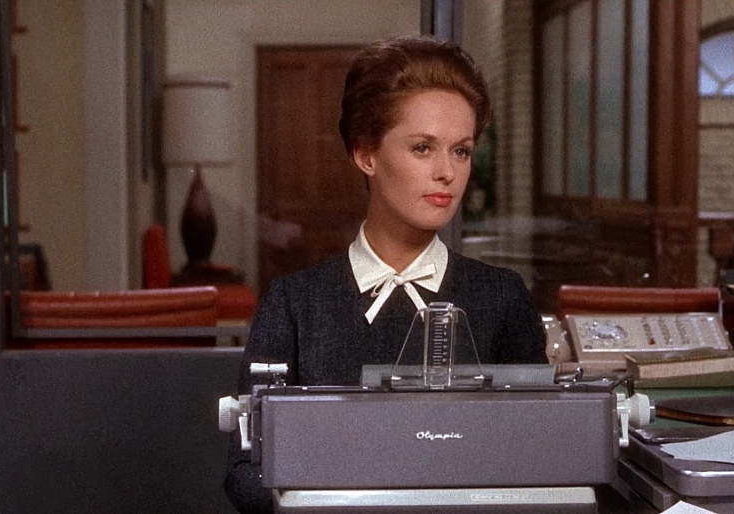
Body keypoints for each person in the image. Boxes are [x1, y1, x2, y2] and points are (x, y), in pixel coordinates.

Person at [224, 34, 547, 513]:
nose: (447, 172)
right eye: (422, 148)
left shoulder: (503, 298)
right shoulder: (293, 304)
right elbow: (245, 472)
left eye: (461, 151)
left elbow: (538, 460)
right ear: (366, 155)